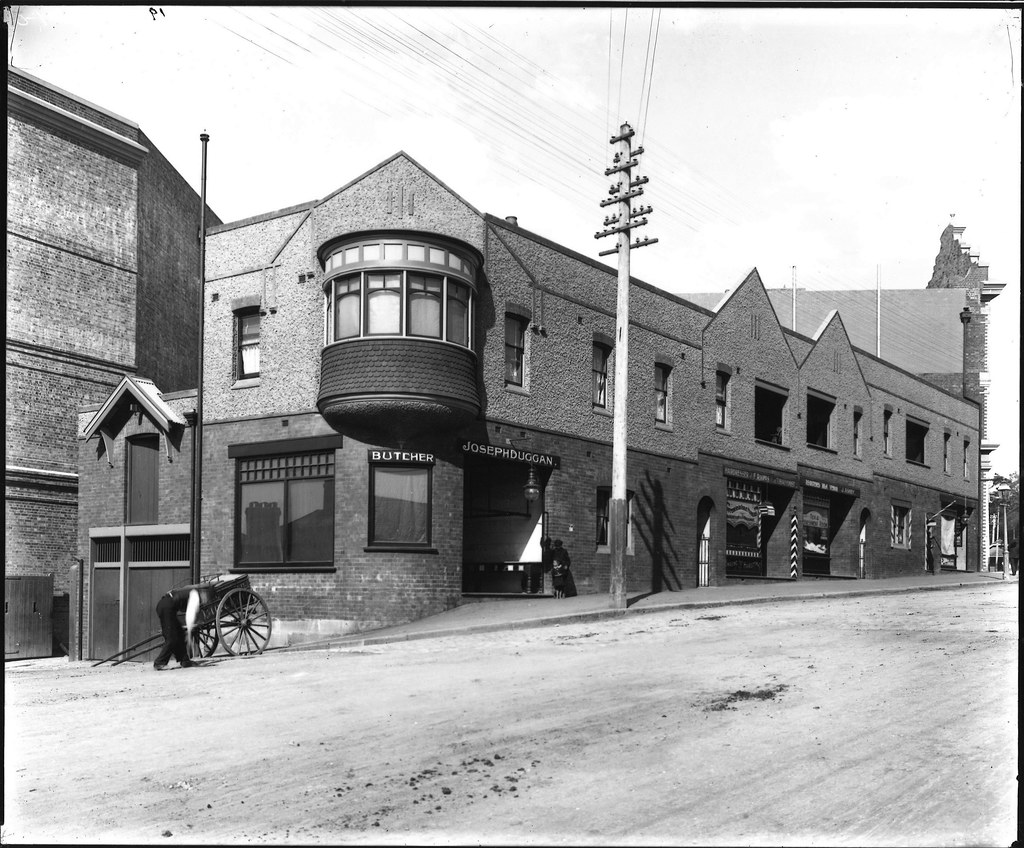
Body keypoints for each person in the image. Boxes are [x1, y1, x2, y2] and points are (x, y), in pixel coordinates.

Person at [153, 584, 206, 670]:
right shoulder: (195, 597)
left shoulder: (191, 593)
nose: (204, 601)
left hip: (165, 606)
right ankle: (159, 662)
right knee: (172, 638)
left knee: (180, 634)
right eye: (204, 599)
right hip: (167, 607)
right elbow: (190, 615)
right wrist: (190, 630)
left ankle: (185, 660)